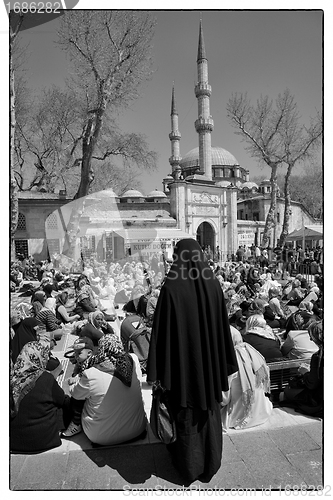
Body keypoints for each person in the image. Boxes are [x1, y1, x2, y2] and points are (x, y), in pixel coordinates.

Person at [147, 239, 238, 483]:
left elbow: (161, 334)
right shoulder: (214, 285)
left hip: (182, 371)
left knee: (185, 415)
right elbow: (222, 328)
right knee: (208, 413)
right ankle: (210, 462)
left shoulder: (171, 289)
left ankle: (188, 466)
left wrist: (158, 371)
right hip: (208, 368)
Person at [67, 334, 147, 446]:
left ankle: (75, 424)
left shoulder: (91, 373)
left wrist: (74, 382)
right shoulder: (133, 360)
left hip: (101, 436)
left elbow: (75, 394)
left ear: (101, 349)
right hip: (137, 429)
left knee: (83, 397)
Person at [10, 338, 71, 453]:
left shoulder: (12, 379)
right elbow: (62, 399)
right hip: (43, 441)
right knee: (62, 405)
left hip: (13, 442)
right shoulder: (45, 378)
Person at [221, 327, 272, 430]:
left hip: (238, 416)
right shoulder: (252, 352)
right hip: (261, 411)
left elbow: (224, 399)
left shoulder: (229, 361)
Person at [281, 321, 323, 418]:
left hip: (320, 401)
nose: (310, 339)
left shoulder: (318, 357)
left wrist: (305, 372)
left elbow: (312, 384)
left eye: (311, 336)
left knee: (287, 391)